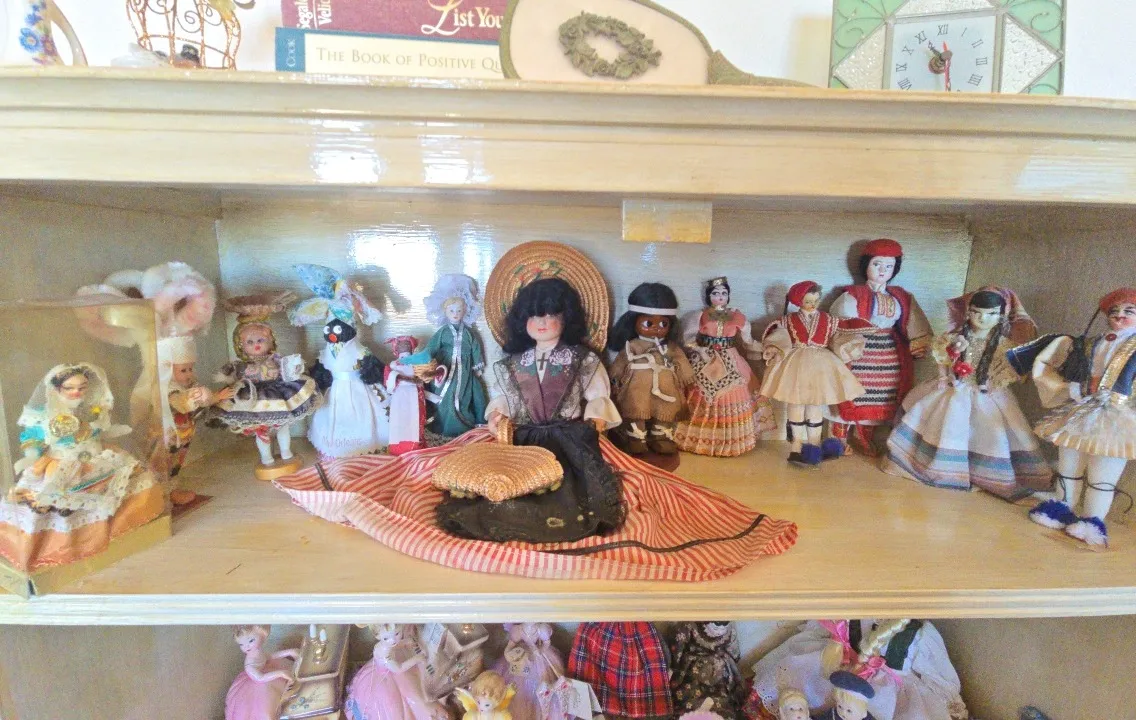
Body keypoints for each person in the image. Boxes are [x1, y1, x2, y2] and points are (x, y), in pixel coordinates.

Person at [436, 277, 624, 543]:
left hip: (567, 438)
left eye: (550, 315)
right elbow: (507, 397)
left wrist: (596, 417)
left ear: (567, 318)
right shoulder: (516, 362)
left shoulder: (582, 358)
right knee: (512, 482)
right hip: (525, 438)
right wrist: (497, 413)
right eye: (533, 316)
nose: (541, 323)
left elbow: (597, 394)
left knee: (570, 488)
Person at [885, 288, 1051, 500]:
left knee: (991, 434)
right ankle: (945, 469)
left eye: (991, 314)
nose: (983, 319)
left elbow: (1008, 371)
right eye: (976, 312)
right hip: (955, 389)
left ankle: (983, 473)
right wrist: (948, 367)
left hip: (987, 393)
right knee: (948, 429)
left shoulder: (1004, 345)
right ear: (968, 313)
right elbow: (943, 359)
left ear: (1001, 316)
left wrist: (993, 382)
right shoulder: (954, 339)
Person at [1019, 287, 1136, 546]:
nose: (1120, 315)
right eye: (1114, 311)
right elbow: (1075, 371)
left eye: (1129, 311)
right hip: (1082, 408)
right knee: (1069, 464)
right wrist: (1077, 387)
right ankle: (1063, 506)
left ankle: (1093, 520)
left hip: (1118, 417)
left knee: (1102, 474)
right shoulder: (1092, 342)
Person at [828, 239, 932, 455]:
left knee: (882, 396)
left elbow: (914, 322)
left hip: (889, 354)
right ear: (865, 265)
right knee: (851, 391)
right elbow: (840, 322)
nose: (882, 270)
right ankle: (839, 437)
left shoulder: (901, 297)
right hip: (859, 350)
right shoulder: (852, 295)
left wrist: (918, 342)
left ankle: (864, 436)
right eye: (877, 264)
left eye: (889, 266)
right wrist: (847, 343)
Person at [760, 281, 871, 465]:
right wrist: (774, 348)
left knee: (815, 405)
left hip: (821, 365)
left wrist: (852, 342)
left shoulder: (829, 319)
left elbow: (844, 330)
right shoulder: (787, 320)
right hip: (795, 363)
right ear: (799, 301)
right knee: (796, 403)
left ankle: (814, 444)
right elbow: (778, 337)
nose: (812, 305)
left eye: (816, 300)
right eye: (808, 301)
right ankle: (796, 446)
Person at [675, 276, 774, 457]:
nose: (720, 296)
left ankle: (731, 440)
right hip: (705, 356)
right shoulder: (700, 315)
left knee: (737, 390)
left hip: (730, 357)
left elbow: (748, 340)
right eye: (715, 293)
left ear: (728, 296)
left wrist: (765, 348)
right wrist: (699, 349)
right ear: (708, 296)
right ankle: (702, 438)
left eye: (724, 293)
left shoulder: (736, 316)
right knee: (698, 391)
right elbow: (688, 339)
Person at [607, 282, 695, 455]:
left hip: (666, 387)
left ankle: (660, 435)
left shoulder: (670, 347)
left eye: (663, 324)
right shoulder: (632, 345)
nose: (657, 328)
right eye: (648, 323)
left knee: (665, 410)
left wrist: (687, 377)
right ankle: (635, 436)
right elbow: (620, 362)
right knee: (636, 408)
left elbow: (680, 360)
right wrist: (614, 377)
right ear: (633, 322)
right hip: (637, 387)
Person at [403, 274, 489, 438]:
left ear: (465, 310)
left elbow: (475, 348)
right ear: (445, 311)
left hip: (465, 372)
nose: (455, 314)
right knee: (445, 397)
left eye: (459, 310)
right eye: (451, 310)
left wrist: (477, 364)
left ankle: (466, 425)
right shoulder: (443, 332)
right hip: (446, 370)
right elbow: (432, 348)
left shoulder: (469, 334)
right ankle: (445, 425)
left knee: (468, 395)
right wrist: (424, 360)